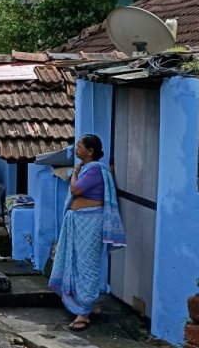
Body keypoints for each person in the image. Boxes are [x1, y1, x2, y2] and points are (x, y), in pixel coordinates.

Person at [49, 134, 126, 332]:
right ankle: (91, 305)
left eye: (79, 146)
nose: (76, 149)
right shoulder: (89, 169)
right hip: (80, 221)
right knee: (78, 262)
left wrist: (74, 171)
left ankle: (83, 312)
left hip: (90, 222)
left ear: (90, 151)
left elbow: (75, 190)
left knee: (87, 264)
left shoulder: (94, 170)